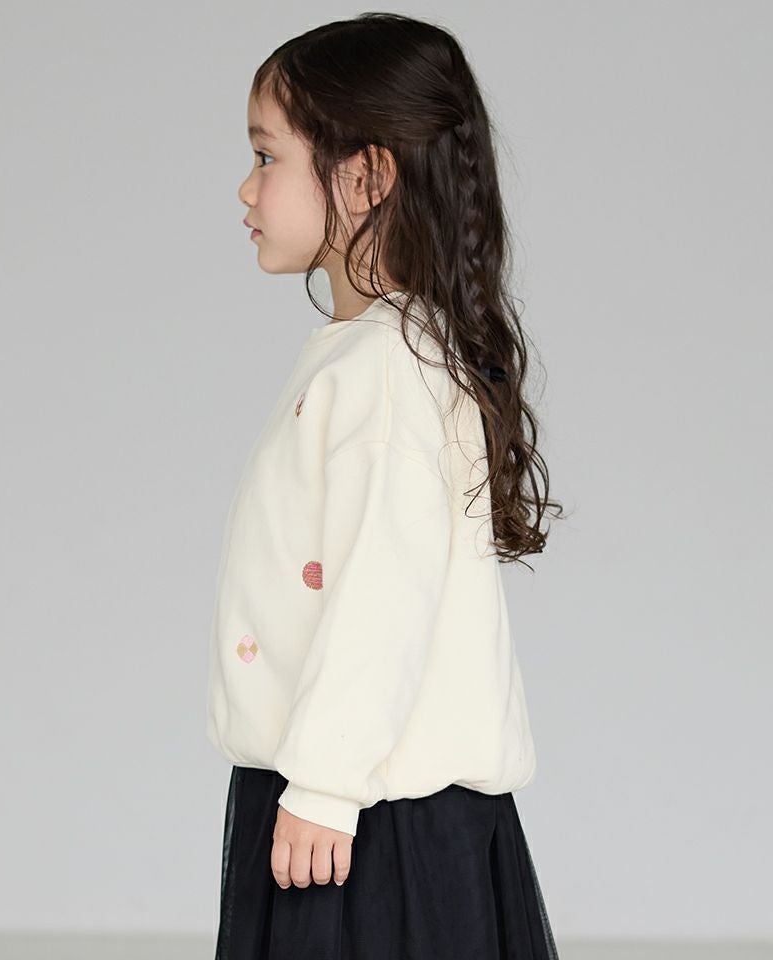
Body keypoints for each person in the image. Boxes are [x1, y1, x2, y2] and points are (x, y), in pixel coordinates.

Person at [207, 12, 565, 959]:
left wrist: (324, 785)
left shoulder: (388, 369)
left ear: (365, 177)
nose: (245, 187)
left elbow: (384, 594)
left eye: (266, 156)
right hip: (350, 797)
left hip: (368, 820)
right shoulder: (371, 354)